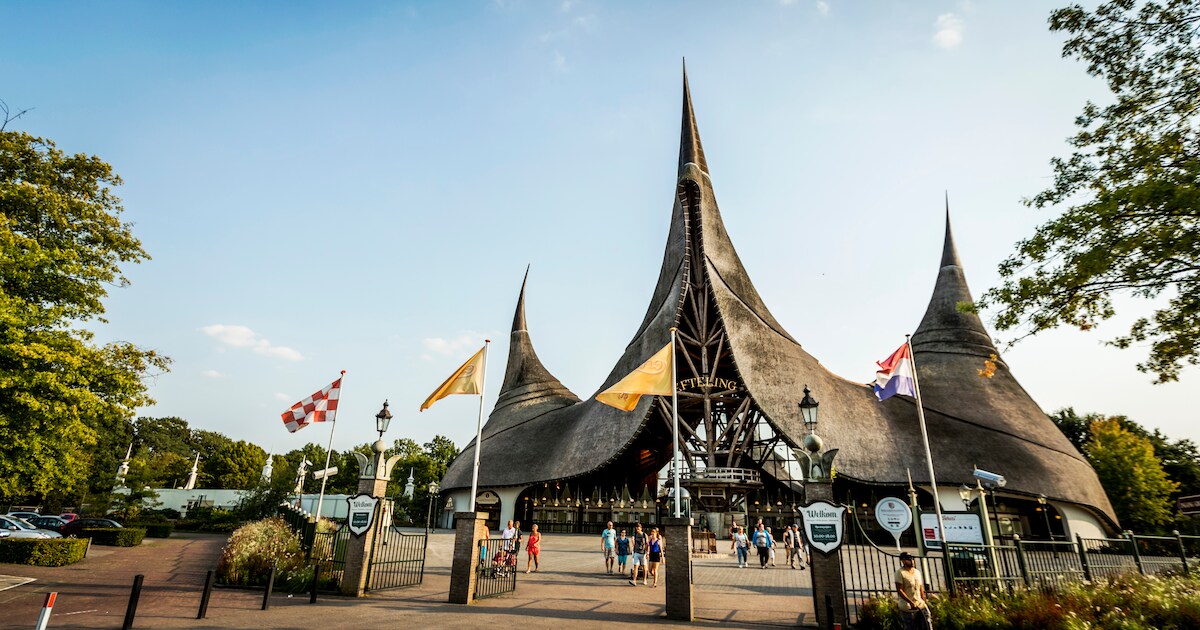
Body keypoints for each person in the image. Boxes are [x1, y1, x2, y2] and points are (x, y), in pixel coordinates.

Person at [895, 552, 933, 630]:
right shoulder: (900, 573)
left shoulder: (917, 572)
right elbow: (900, 590)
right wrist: (910, 602)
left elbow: (920, 587)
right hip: (908, 607)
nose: (912, 561)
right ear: (903, 561)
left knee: (927, 623)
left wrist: (923, 600)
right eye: (909, 559)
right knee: (910, 626)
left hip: (920, 604)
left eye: (912, 559)